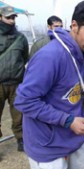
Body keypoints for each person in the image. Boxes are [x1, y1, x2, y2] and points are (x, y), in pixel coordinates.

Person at [13, 1, 84, 168]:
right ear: (74, 25)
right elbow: (24, 101)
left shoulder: (82, 52)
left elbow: (74, 85)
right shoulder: (50, 56)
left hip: (74, 139)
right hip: (49, 147)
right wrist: (68, 121)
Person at [0, 5, 28, 152]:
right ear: (0, 18)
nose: (11, 21)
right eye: (8, 18)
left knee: (19, 115)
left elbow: (24, 58)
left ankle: (21, 139)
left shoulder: (21, 38)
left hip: (16, 83)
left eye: (13, 18)